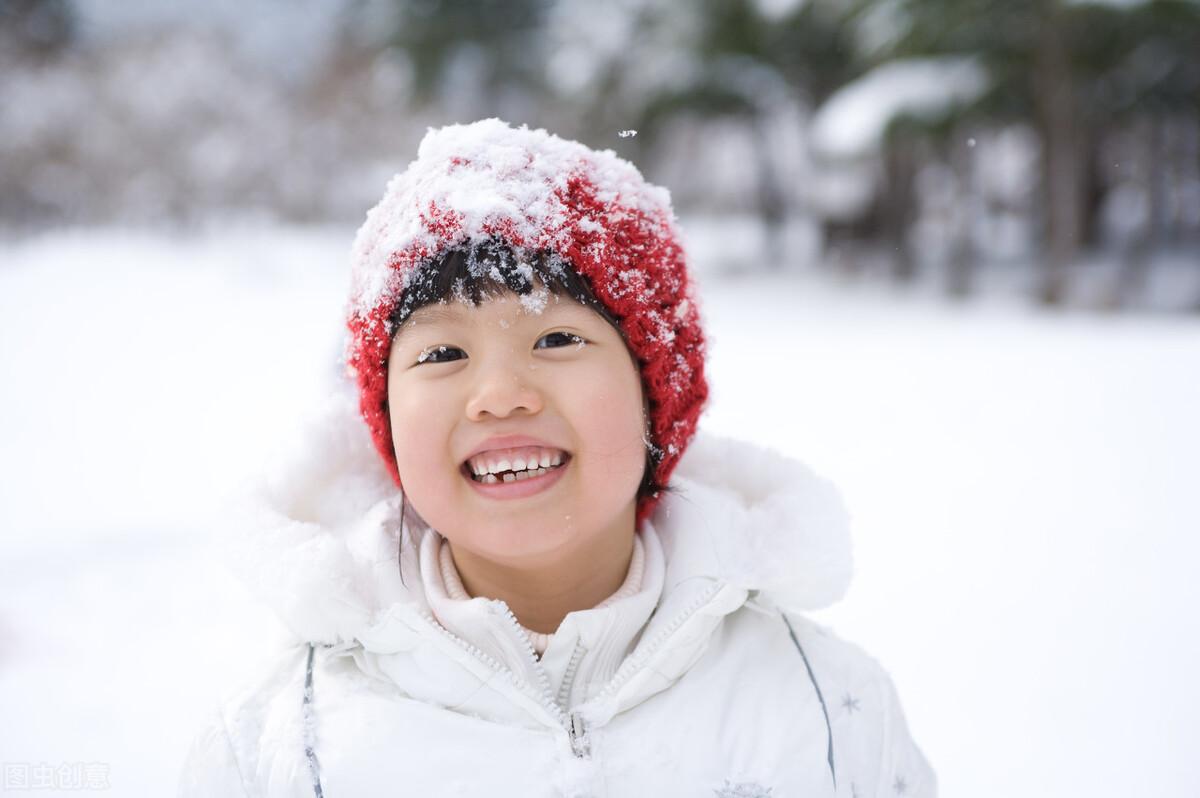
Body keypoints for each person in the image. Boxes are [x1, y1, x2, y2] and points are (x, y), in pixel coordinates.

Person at [179, 118, 936, 797]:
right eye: (443, 352)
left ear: (654, 394)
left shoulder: (824, 710)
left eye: (556, 339)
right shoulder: (282, 746)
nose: (500, 395)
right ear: (384, 418)